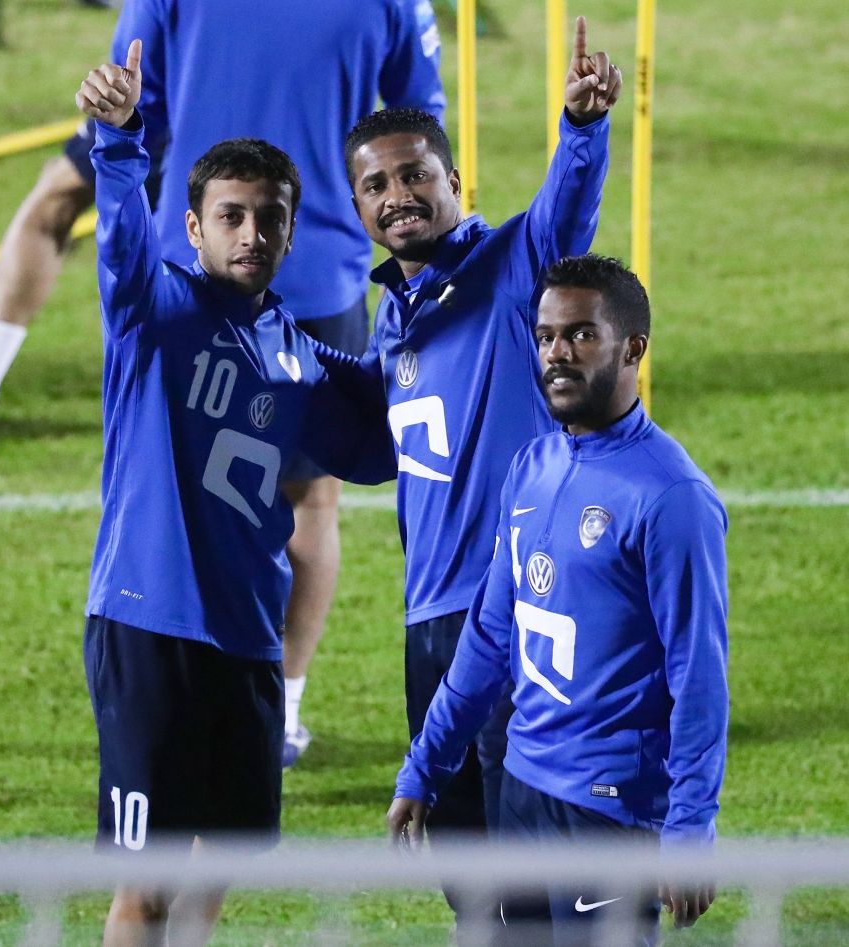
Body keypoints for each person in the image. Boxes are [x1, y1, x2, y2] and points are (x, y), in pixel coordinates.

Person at [0, 0, 445, 768]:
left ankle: (181, 693)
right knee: (309, 502)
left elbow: (135, 99)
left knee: (161, 483)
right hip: (317, 268)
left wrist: (125, 151)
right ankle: (281, 705)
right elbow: (417, 130)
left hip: (188, 270)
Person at [75, 40, 395, 947]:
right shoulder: (152, 310)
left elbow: (380, 444)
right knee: (145, 886)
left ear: (293, 233)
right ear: (194, 228)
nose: (251, 233)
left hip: (251, 640)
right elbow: (119, 241)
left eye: (269, 218)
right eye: (231, 216)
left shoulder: (302, 357)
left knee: (217, 868)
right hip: (151, 628)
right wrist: (120, 138)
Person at [311, 17, 619, 931]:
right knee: (469, 877)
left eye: (415, 175)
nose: (398, 196)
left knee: (543, 874)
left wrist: (581, 126)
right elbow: (378, 449)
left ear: (454, 181)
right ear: (357, 206)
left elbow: (565, 211)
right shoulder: (395, 319)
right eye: (376, 185)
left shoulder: (514, 265)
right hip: (431, 624)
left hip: (522, 611)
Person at [388, 254, 729, 947]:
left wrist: (691, 823)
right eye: (545, 336)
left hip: (609, 807)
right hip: (521, 785)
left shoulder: (673, 498)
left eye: (581, 335)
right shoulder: (533, 465)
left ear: (632, 348)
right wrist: (427, 763)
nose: (557, 353)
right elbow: (490, 637)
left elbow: (698, 674)